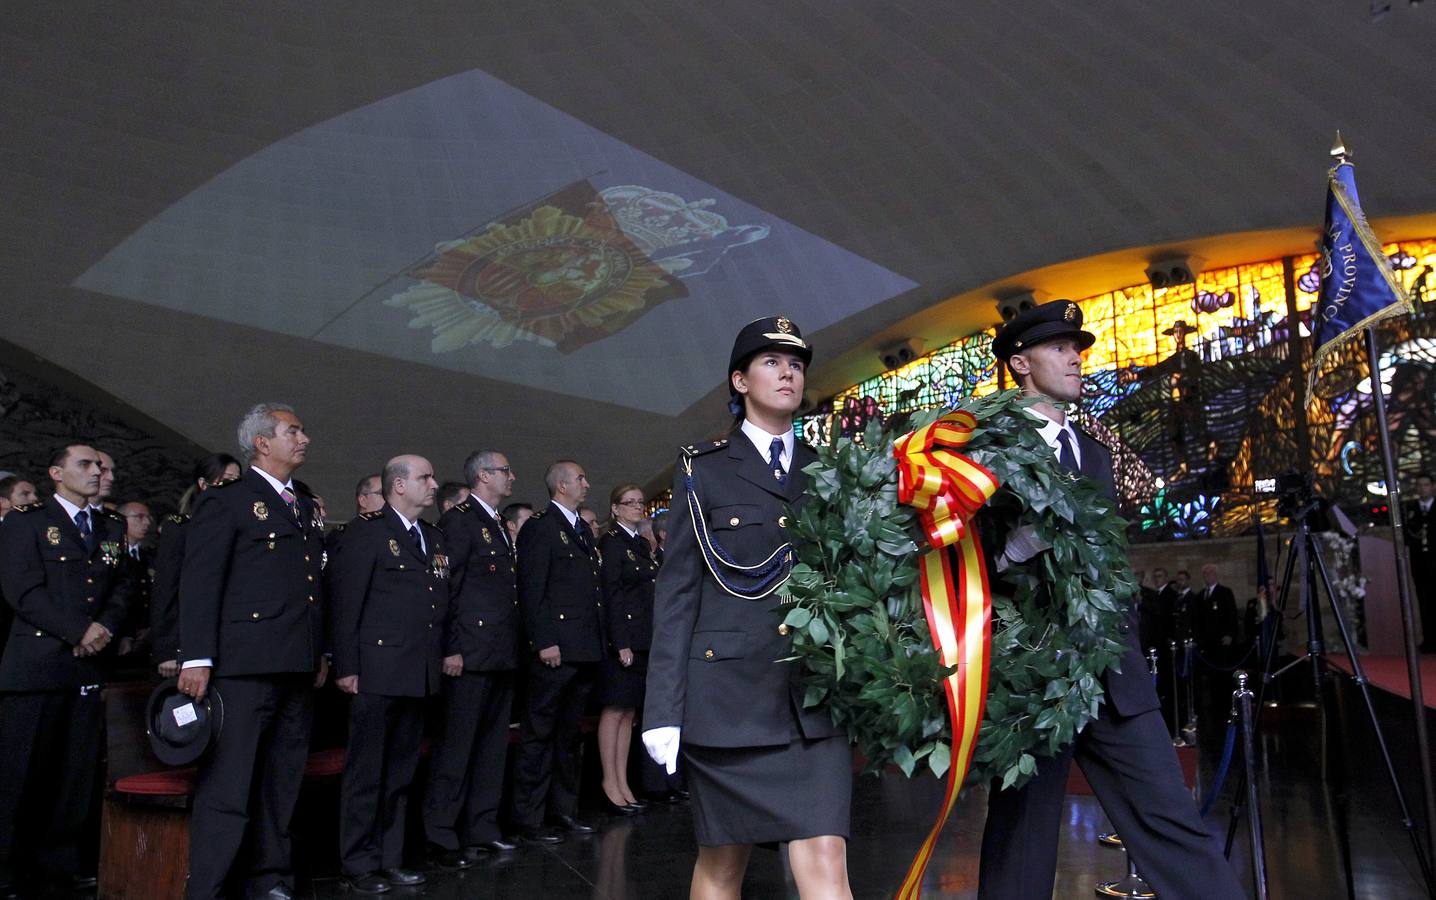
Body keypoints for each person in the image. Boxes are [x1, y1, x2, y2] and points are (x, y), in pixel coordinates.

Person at [976, 300, 1244, 899]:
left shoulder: (1094, 450)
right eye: (1060, 347)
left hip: (1111, 667)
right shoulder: (983, 447)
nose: (1076, 357)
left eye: (1079, 347)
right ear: (1020, 363)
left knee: (1170, 818)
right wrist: (1008, 553)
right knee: (1022, 836)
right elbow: (955, 557)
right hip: (1032, 672)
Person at [643, 316, 853, 899]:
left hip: (814, 700)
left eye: (796, 363)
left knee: (827, 858)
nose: (788, 372)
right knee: (722, 864)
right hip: (729, 701)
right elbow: (678, 593)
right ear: (739, 380)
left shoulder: (830, 472)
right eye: (770, 362)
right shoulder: (703, 470)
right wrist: (663, 707)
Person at [176, 404, 328, 900]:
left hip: (295, 664)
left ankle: (267, 881)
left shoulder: (301, 504)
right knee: (229, 784)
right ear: (262, 443)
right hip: (244, 667)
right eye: (293, 430)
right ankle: (210, 887)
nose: (303, 438)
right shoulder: (229, 501)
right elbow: (201, 582)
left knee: (280, 783)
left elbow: (310, 587)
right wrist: (196, 657)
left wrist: (318, 651)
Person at [0, 443, 133, 895]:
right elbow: (22, 590)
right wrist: (79, 631)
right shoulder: (28, 521)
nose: (97, 471)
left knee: (75, 776)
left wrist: (104, 627)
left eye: (99, 465)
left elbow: (122, 585)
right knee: (22, 775)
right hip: (37, 667)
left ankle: (59, 867)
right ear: (57, 473)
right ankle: (7, 869)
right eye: (86, 464)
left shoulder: (111, 525)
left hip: (87, 666)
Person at [330, 455, 447, 894]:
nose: (433, 484)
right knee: (367, 772)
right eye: (424, 477)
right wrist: (347, 666)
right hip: (376, 671)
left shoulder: (430, 537)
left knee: (400, 773)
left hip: (417, 671)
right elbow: (347, 604)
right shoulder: (367, 533)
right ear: (398, 485)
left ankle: (391, 857)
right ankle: (359, 861)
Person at [424, 450, 521, 865]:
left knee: (491, 748)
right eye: (504, 470)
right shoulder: (461, 521)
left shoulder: (496, 524)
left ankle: (482, 827)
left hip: (499, 651)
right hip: (470, 652)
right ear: (483, 476)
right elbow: (450, 588)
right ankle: (441, 835)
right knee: (457, 748)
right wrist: (452, 646)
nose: (511, 477)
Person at [512, 460, 605, 844]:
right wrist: (543, 640)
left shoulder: (580, 528)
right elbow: (533, 589)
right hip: (555, 650)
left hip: (583, 647)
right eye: (580, 478)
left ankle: (563, 810)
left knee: (569, 737)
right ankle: (529, 819)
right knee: (540, 735)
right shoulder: (540, 527)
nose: (586, 483)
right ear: (562, 485)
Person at [595, 483, 658, 815]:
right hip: (624, 639)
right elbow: (612, 595)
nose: (637, 507)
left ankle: (623, 782)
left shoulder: (640, 544)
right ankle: (610, 782)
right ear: (615, 508)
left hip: (643, 636)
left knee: (629, 712)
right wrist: (621, 642)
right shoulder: (612, 543)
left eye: (640, 502)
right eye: (630, 503)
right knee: (615, 709)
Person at [149, 453, 242, 677]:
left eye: (238, 480)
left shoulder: (238, 528)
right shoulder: (180, 529)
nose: (235, 487)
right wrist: (168, 649)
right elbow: (167, 590)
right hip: (186, 645)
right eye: (228, 479)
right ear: (203, 484)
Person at [1405, 473, 1436, 652]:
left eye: (1426, 485)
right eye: (1419, 485)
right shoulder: (1411, 509)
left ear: (1432, 486)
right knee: (1424, 602)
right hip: (1420, 564)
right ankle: (1429, 640)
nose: (1422, 489)